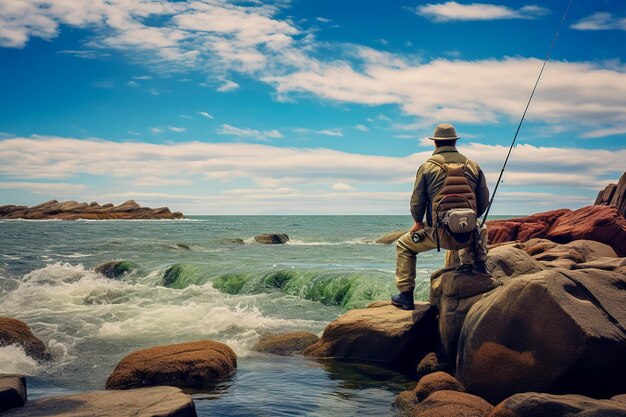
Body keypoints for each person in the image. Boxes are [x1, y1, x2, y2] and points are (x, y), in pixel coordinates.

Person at [391, 123, 490, 310]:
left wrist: (418, 223)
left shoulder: (427, 166)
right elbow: (483, 201)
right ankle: (478, 266)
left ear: (435, 142)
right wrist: (467, 221)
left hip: (439, 237)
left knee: (404, 246)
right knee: (481, 227)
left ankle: (405, 296)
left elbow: (417, 202)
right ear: (455, 141)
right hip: (469, 235)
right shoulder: (473, 165)